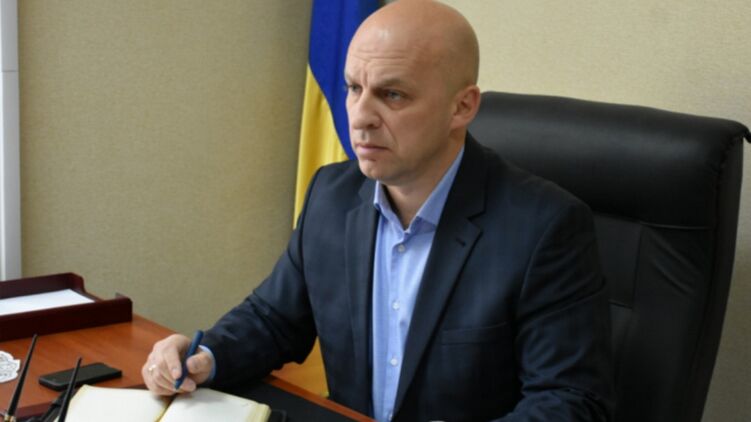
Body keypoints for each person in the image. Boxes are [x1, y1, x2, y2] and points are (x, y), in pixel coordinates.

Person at [142, 1, 613, 420]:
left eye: (392, 95)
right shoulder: (332, 195)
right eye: (353, 88)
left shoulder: (544, 227)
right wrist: (205, 356)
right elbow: (274, 319)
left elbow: (571, 400)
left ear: (462, 107)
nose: (360, 116)